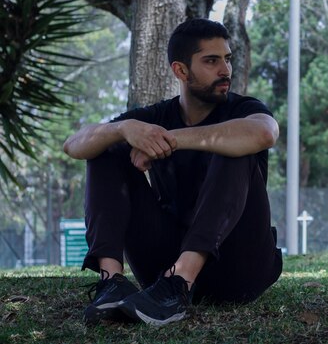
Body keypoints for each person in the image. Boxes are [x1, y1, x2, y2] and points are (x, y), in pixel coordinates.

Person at [63, 19, 283, 326]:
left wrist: (172, 140)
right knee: (106, 146)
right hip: (162, 269)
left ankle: (181, 283)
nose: (226, 70)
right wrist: (124, 129)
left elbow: (265, 133)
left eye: (227, 59)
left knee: (235, 145)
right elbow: (73, 145)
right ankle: (111, 282)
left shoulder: (243, 110)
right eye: (211, 61)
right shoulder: (154, 117)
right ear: (181, 71)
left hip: (240, 269)